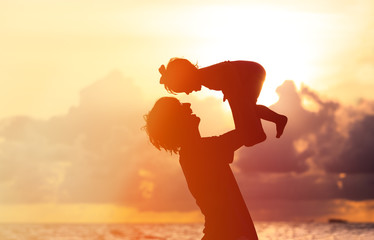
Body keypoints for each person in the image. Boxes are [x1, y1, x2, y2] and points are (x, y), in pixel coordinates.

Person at [144, 97, 260, 240]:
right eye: (180, 106)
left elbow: (253, 133)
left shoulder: (196, 151)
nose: (187, 104)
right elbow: (253, 132)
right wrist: (234, 93)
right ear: (177, 123)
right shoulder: (201, 151)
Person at [158, 58, 288, 146]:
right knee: (245, 109)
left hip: (252, 73)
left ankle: (265, 127)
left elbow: (227, 68)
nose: (188, 92)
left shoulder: (205, 75)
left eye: (185, 88)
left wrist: (236, 91)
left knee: (247, 108)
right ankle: (259, 129)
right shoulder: (205, 79)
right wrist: (232, 93)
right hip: (246, 77)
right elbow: (226, 76)